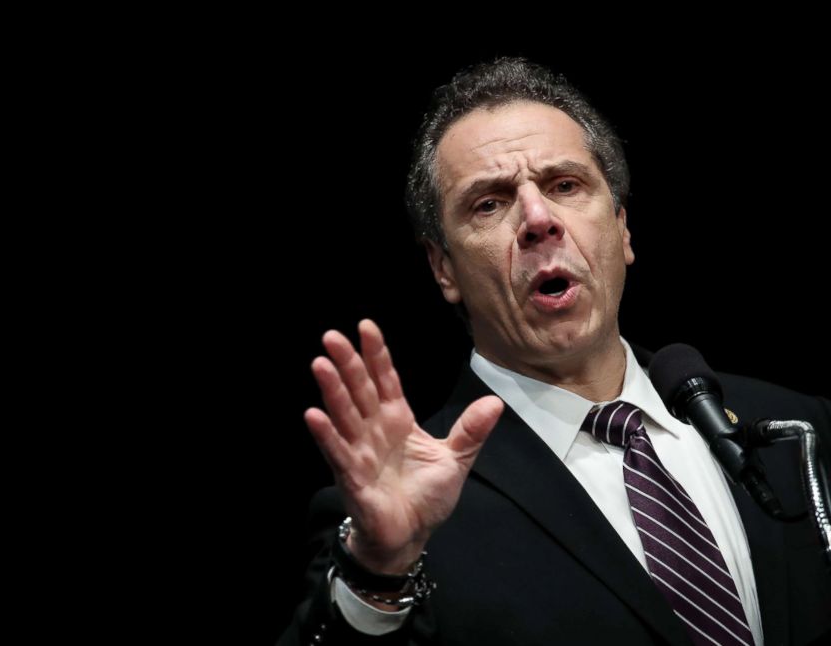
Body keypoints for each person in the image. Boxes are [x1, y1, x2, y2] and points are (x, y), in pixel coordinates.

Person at [277, 57, 831, 646]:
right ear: (444, 268)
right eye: (489, 203)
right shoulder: (404, 509)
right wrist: (375, 576)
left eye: (565, 185)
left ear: (621, 228)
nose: (538, 219)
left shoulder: (796, 431)